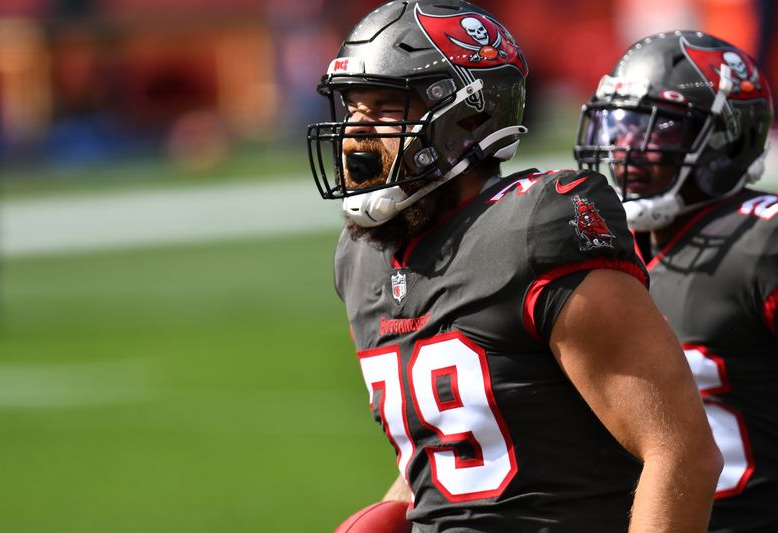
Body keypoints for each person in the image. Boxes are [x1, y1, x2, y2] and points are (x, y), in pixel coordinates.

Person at [307, 2, 722, 531]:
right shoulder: (361, 257)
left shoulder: (536, 227)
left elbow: (680, 452)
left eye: (386, 108)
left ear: (467, 117)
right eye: (352, 108)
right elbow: (441, 450)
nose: (354, 136)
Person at [574, 31, 776, 533]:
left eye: (660, 125)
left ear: (729, 138)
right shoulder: (602, 248)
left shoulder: (762, 244)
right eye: (622, 122)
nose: (626, 144)